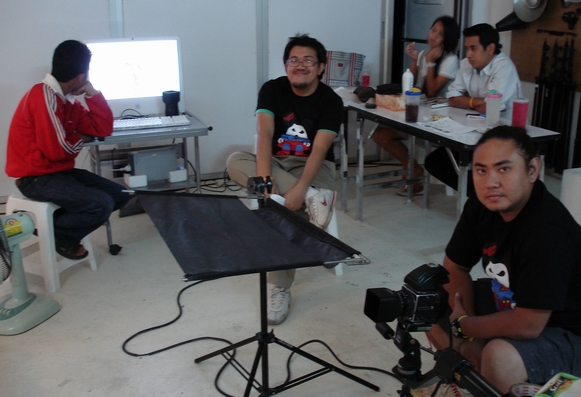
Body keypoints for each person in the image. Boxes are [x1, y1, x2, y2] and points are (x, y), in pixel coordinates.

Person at [425, 126, 581, 395]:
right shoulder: (482, 205)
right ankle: (477, 375)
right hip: (513, 301)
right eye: (481, 170)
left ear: (532, 170)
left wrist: (465, 326)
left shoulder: (548, 230)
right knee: (427, 302)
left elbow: (528, 324)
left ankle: (488, 374)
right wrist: (470, 334)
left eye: (504, 169)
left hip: (567, 330)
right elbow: (455, 267)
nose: (490, 182)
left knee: (499, 357)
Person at [227, 34, 343, 325]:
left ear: (320, 67)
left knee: (281, 209)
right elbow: (264, 134)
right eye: (293, 60)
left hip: (317, 169)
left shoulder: (332, 101)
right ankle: (315, 201)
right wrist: (266, 178)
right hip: (277, 163)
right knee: (235, 162)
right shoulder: (272, 89)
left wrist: (301, 187)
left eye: (308, 60)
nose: (299, 65)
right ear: (285, 65)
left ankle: (280, 287)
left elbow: (320, 148)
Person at [5, 40, 130, 259]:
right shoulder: (43, 97)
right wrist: (79, 136)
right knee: (101, 205)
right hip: (35, 178)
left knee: (121, 194)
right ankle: (59, 235)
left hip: (59, 173)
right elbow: (57, 150)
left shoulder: (68, 100)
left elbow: (102, 128)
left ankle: (53, 229)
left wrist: (91, 93)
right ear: (81, 76)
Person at [425, 23, 521, 192]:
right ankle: (478, 195)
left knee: (449, 162)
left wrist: (472, 101)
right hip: (474, 129)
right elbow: (453, 98)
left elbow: (490, 108)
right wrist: (475, 102)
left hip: (504, 135)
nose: (468, 54)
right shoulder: (466, 65)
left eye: (473, 48)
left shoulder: (503, 67)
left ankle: (481, 196)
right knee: (434, 162)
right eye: (467, 48)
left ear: (490, 48)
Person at [372, 16, 460, 196]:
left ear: (448, 39)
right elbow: (410, 87)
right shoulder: (424, 53)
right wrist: (414, 60)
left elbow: (433, 91)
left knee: (384, 133)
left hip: (437, 120)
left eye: (440, 34)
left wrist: (430, 63)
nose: (433, 35)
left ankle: (414, 173)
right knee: (380, 134)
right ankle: (413, 169)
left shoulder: (451, 60)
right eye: (433, 29)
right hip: (417, 113)